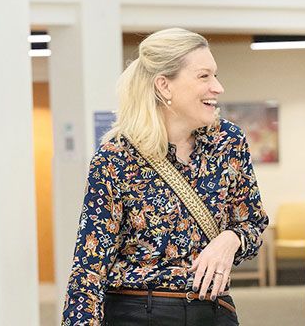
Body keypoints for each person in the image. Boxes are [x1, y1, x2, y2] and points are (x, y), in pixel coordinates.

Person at [62, 28, 269, 325]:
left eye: (216, 75)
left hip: (211, 312)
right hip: (137, 312)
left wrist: (230, 238)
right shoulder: (115, 159)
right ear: (164, 86)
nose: (218, 87)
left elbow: (254, 223)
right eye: (204, 76)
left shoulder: (228, 143)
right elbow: (89, 269)